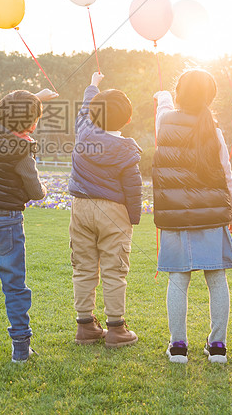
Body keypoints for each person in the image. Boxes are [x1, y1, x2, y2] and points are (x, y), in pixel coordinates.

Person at [0, 87, 58, 363]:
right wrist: (44, 189)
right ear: (31, 123)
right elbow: (34, 191)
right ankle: (20, 349)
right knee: (15, 287)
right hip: (6, 222)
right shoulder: (22, 153)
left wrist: (34, 99)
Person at [153, 69, 232, 364]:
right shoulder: (213, 131)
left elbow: (163, 111)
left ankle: (178, 347)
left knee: (178, 280)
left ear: (178, 95)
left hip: (176, 219)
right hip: (212, 217)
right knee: (217, 279)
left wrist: (162, 97)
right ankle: (218, 347)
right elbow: (227, 176)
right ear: (210, 97)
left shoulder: (165, 122)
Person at [67, 72, 142, 348]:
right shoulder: (126, 150)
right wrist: (133, 217)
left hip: (81, 208)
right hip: (114, 212)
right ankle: (116, 328)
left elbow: (85, 109)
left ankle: (85, 325)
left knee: (83, 266)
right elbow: (133, 188)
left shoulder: (84, 131)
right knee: (114, 269)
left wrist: (93, 85)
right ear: (128, 119)